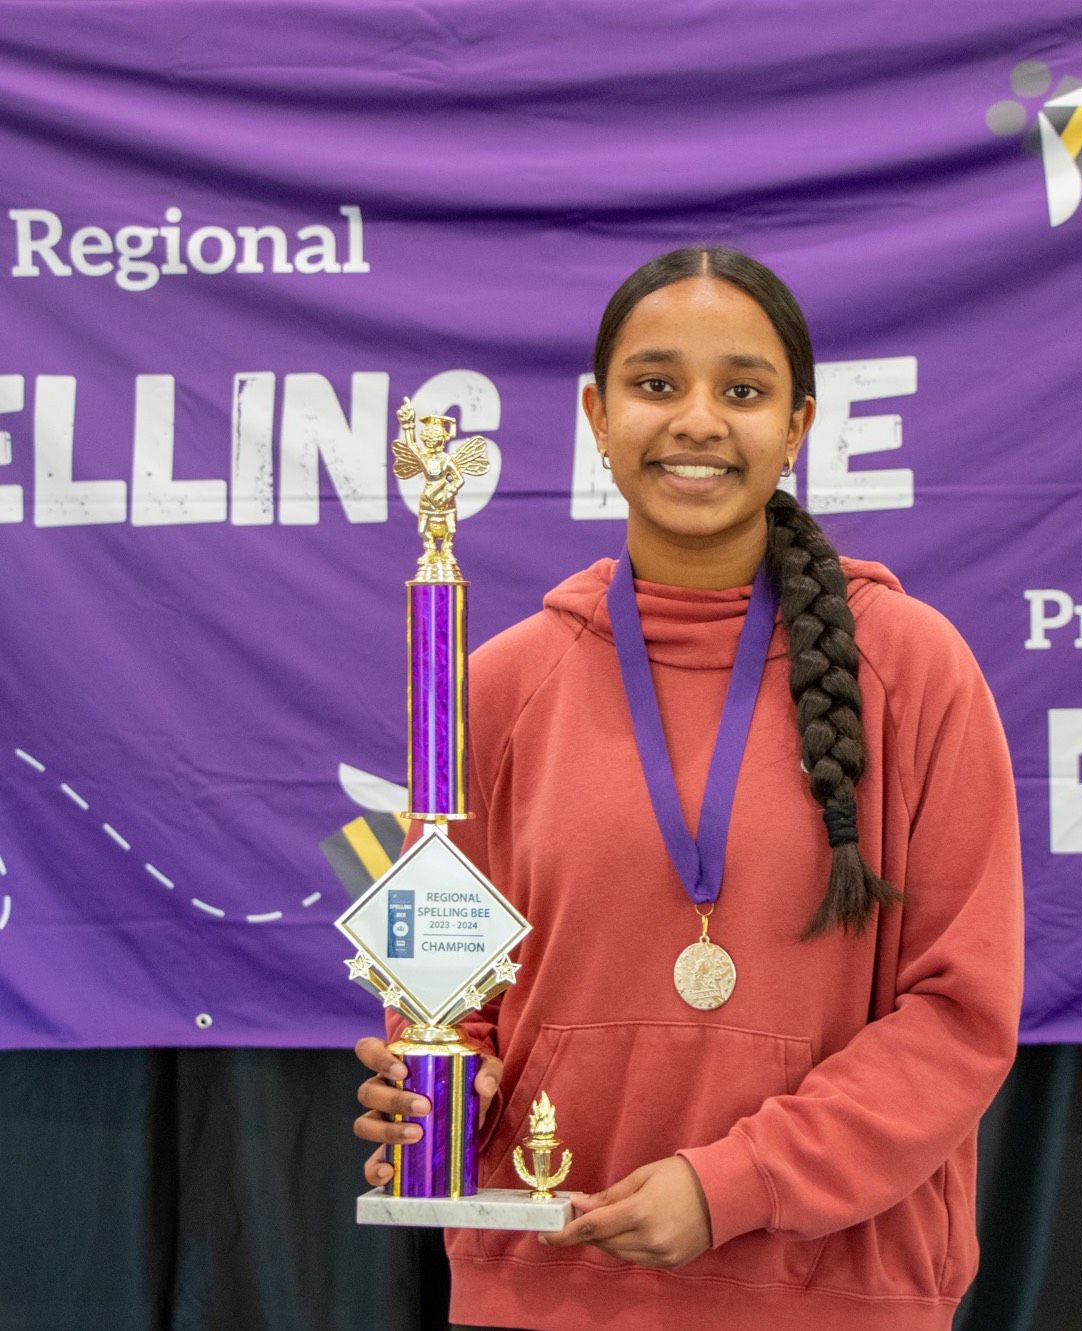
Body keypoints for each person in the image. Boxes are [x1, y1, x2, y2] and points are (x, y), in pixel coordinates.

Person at [353, 246, 1023, 1331]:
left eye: (743, 390)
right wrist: (439, 1084)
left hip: (835, 1291)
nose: (697, 420)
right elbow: (444, 985)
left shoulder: (912, 667)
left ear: (797, 424)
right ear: (595, 415)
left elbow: (959, 1013)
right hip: (547, 1278)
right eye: (655, 384)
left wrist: (732, 1185)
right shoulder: (500, 685)